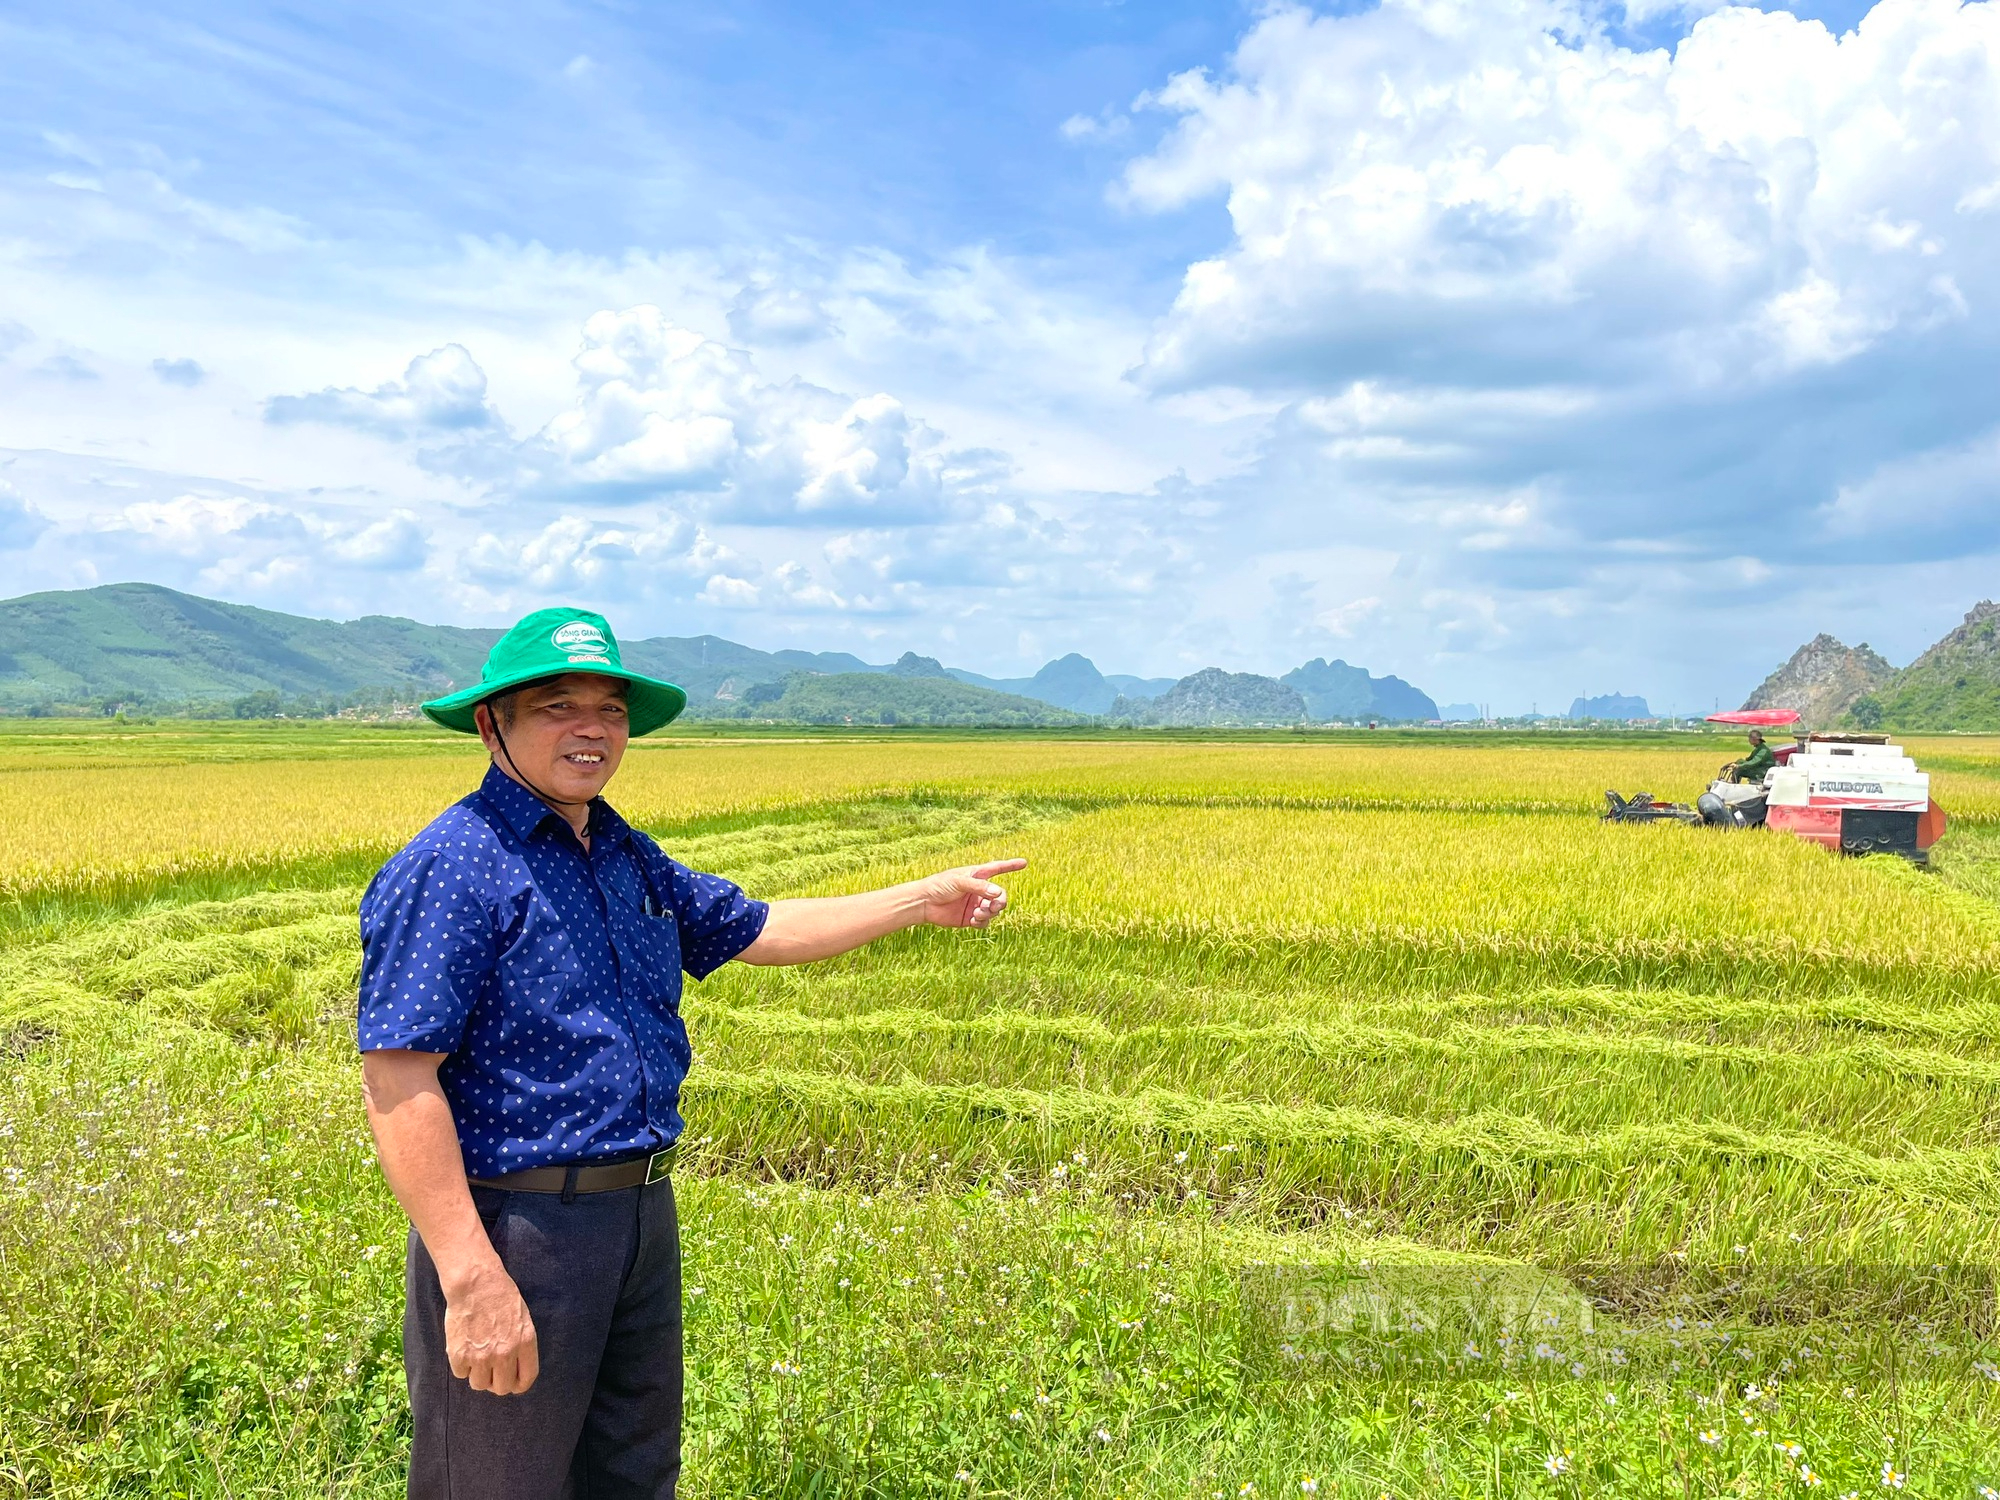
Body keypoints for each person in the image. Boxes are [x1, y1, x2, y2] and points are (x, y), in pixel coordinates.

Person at [357, 607, 1025, 1500]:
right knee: (495, 1485)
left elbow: (761, 928)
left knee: (634, 1477)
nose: (592, 728)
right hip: (519, 1228)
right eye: (558, 705)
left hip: (638, 1216)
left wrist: (920, 897)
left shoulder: (624, 854)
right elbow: (398, 1079)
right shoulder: (456, 864)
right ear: (492, 724)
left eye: (612, 710)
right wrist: (470, 1275)